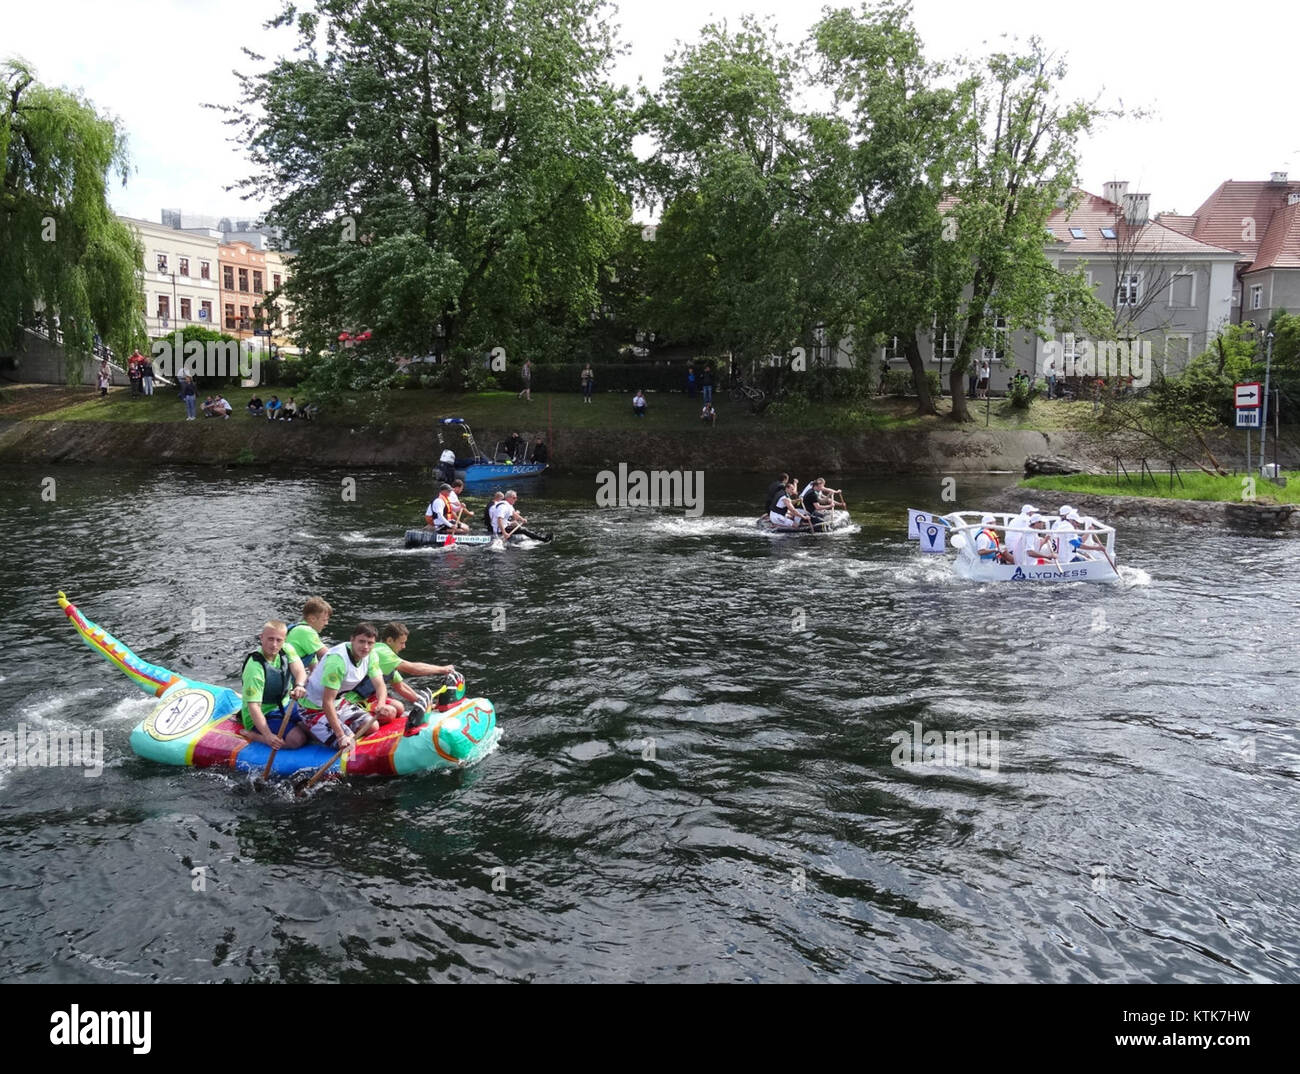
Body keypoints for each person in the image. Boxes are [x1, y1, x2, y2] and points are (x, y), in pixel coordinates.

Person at [299, 623, 394, 750]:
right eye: (361, 641)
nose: (365, 647)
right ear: (352, 640)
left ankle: (332, 727)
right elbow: (327, 702)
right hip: (314, 708)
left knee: (372, 726)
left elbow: (380, 685)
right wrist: (341, 735)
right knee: (347, 744)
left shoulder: (371, 655)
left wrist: (381, 704)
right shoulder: (337, 661)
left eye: (370, 643)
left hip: (340, 703)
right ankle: (306, 727)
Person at [346, 622, 457, 730]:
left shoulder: (388, 658)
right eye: (401, 643)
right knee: (391, 713)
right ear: (390, 640)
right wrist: (442, 669)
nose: (404, 647)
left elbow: (400, 687)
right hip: (353, 700)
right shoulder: (383, 653)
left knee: (399, 707)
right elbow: (413, 669)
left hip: (369, 698)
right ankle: (356, 723)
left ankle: (373, 717)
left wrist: (427, 704)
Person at [239, 620, 310, 749]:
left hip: (285, 705)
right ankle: (255, 736)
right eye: (270, 639)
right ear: (261, 638)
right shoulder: (255, 667)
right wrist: (267, 736)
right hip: (263, 713)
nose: (274, 645)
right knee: (297, 740)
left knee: (312, 728)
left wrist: (299, 685)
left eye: (279, 640)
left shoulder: (287, 649)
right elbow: (254, 707)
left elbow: (300, 671)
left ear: (284, 640)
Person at [286, 597, 332, 672]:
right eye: (324, 620)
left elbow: (314, 668)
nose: (326, 623)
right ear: (312, 619)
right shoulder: (306, 631)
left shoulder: (299, 629)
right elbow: (330, 655)